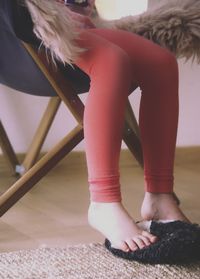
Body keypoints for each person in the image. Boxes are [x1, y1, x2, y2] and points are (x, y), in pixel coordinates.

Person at [13, 0, 189, 252]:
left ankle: (160, 195)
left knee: (161, 63)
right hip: (28, 34)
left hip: (76, 27)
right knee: (111, 61)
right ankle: (103, 203)